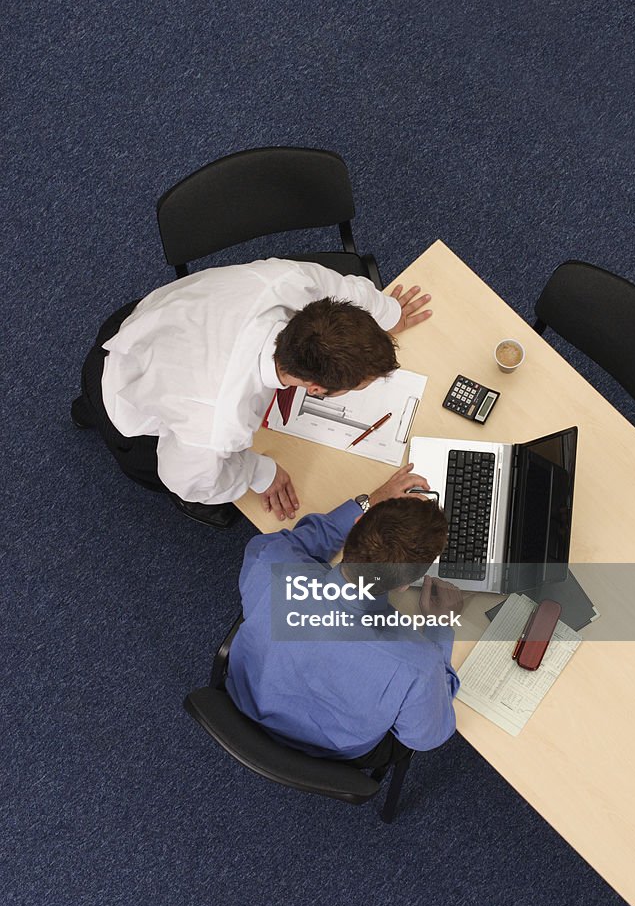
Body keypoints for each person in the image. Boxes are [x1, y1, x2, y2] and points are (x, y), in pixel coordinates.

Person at [71, 258, 432, 529]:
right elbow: (187, 478)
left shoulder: (289, 283)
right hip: (123, 394)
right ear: (317, 389)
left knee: (88, 401)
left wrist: (386, 314)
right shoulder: (219, 420)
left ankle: (81, 410)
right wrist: (261, 473)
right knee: (164, 467)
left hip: (144, 318)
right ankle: (91, 412)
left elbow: (340, 289)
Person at [226, 466, 462, 768]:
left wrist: (368, 500)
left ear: (358, 524)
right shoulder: (418, 665)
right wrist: (440, 627)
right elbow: (426, 735)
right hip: (335, 753)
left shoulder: (271, 561)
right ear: (405, 584)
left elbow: (297, 541)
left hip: (246, 699)